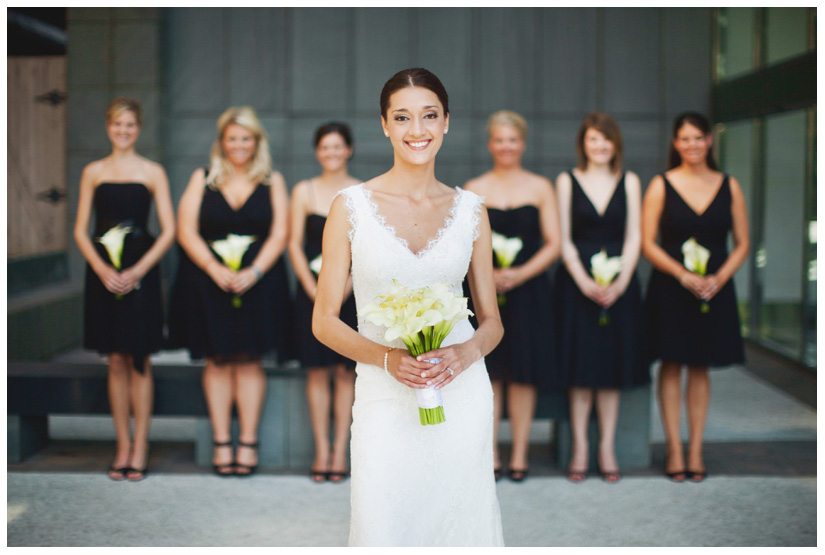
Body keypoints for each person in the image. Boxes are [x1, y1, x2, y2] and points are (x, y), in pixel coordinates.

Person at [312, 68, 504, 546]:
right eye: (402, 117)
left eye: (429, 116)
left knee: (460, 524)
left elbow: (493, 322)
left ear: (446, 123)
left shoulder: (473, 210)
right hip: (382, 393)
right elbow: (322, 321)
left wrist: (466, 353)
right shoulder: (350, 206)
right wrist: (387, 358)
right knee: (384, 522)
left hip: (461, 391)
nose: (416, 130)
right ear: (384, 125)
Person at [171, 106, 291, 477]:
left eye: (246, 138)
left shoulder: (273, 181)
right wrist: (213, 267)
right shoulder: (202, 178)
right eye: (232, 138)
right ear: (222, 142)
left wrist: (254, 271)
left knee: (250, 360)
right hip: (209, 285)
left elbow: (281, 233)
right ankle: (223, 442)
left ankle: (249, 442)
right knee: (217, 360)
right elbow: (185, 230)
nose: (239, 144)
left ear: (257, 142)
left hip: (259, 285)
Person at [642, 112, 749, 482]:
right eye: (684, 139)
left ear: (709, 141)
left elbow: (743, 243)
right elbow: (647, 243)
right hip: (672, 287)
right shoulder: (661, 184)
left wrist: (719, 276)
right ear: (676, 144)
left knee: (700, 366)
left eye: (698, 138)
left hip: (714, 286)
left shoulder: (729, 185)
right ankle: (673, 447)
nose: (692, 145)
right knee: (671, 364)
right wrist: (684, 274)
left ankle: (696, 448)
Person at [73, 97, 175, 481]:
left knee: (138, 359)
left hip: (139, 272)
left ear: (139, 128)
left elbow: (168, 230)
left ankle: (142, 445)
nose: (123, 131)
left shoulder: (152, 172)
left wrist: (138, 270)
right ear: (107, 127)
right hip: (104, 273)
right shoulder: (93, 171)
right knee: (114, 359)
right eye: (117, 124)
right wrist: (102, 269)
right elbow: (81, 230)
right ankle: (122, 445)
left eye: (130, 125)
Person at [463, 110, 560, 482]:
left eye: (512, 140)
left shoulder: (539, 187)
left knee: (523, 374)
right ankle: (490, 453)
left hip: (530, 290)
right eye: (499, 140)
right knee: (490, 372)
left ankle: (519, 452)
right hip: (486, 290)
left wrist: (519, 273)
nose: (506, 146)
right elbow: (467, 243)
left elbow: (554, 243)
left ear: (523, 143)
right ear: (490, 144)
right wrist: (489, 276)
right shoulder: (474, 185)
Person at [553, 112, 649, 484]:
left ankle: (606, 447)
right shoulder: (567, 180)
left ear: (615, 144)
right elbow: (564, 239)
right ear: (584, 144)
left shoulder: (630, 181)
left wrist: (621, 283)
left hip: (619, 287)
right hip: (577, 287)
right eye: (593, 139)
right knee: (580, 369)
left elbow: (634, 237)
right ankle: (579, 446)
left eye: (606, 139)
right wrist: (583, 281)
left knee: (611, 371)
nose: (600, 146)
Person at [288, 122, 360, 483]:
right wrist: (314, 288)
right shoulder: (304, 190)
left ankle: (338, 451)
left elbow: (364, 249)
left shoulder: (362, 192)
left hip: (352, 294)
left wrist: (343, 287)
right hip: (312, 294)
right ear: (317, 152)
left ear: (348, 150)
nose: (331, 153)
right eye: (324, 148)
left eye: (337, 147)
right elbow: (294, 244)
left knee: (345, 372)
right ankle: (320, 449)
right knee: (316, 371)